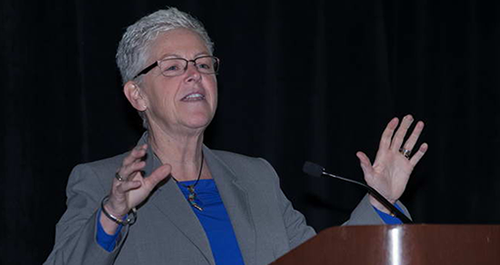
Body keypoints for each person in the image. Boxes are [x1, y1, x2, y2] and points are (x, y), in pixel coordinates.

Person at [44, 7, 427, 265]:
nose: (194, 75)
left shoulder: (256, 177)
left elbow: (318, 259)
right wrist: (112, 215)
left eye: (203, 64)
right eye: (174, 66)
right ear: (137, 94)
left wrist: (382, 198)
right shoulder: (99, 183)